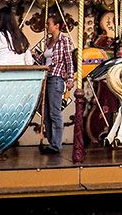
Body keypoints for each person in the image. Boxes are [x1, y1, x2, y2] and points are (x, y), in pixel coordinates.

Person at [40, 11, 74, 154]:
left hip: (56, 78)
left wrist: (70, 77)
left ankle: (56, 144)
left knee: (55, 112)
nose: (47, 26)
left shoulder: (64, 41)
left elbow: (69, 60)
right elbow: (45, 59)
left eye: (49, 23)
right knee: (46, 113)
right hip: (46, 78)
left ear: (57, 26)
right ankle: (51, 142)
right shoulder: (47, 41)